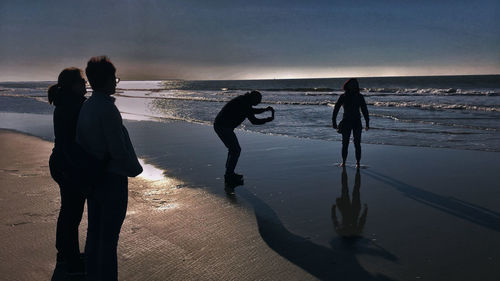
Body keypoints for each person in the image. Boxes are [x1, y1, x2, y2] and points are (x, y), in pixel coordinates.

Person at [76, 56, 142, 281]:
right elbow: (117, 150)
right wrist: (130, 167)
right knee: (109, 239)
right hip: (112, 178)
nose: (116, 82)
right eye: (114, 78)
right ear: (106, 80)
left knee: (94, 232)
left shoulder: (87, 106)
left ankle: (92, 274)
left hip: (92, 176)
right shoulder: (107, 109)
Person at [48, 67, 87, 276]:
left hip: (60, 163)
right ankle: (71, 260)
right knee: (72, 214)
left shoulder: (64, 101)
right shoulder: (75, 104)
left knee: (68, 212)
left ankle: (64, 254)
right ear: (74, 85)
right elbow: (70, 143)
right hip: (67, 165)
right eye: (82, 82)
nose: (85, 85)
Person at [214, 91, 274, 184]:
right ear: (253, 98)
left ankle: (229, 173)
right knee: (236, 150)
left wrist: (264, 110)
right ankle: (229, 175)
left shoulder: (243, 100)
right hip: (223, 127)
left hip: (221, 125)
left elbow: (251, 111)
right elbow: (254, 121)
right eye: (258, 100)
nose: (259, 102)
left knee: (233, 150)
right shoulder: (244, 104)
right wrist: (267, 119)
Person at [332, 78, 369, 168]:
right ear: (347, 85)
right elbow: (336, 109)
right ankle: (344, 162)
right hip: (346, 122)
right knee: (345, 143)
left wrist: (367, 122)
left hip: (357, 122)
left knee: (357, 143)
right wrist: (334, 121)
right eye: (351, 84)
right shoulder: (343, 96)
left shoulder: (360, 96)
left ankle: (358, 163)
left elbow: (364, 110)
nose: (353, 86)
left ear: (357, 86)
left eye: (355, 84)